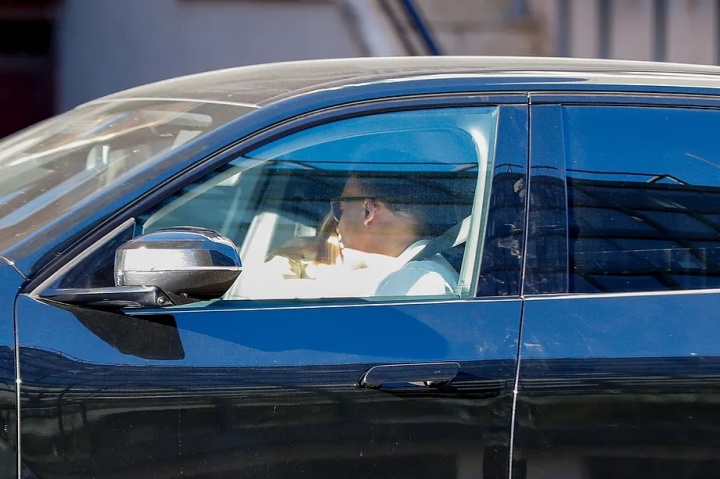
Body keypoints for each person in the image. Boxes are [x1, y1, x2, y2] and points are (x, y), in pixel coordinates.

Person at [332, 171, 459, 296]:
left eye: (339, 209)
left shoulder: (412, 283)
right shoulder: (424, 273)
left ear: (368, 210)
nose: (336, 227)